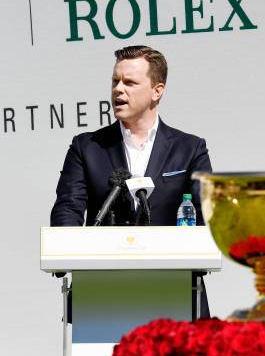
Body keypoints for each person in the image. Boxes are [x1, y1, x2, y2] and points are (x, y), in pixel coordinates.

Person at [50, 45, 212, 317]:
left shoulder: (190, 149)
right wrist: (66, 248)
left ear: (157, 91)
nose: (118, 90)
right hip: (102, 297)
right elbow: (68, 207)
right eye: (115, 81)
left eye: (130, 82)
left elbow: (208, 214)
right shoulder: (87, 147)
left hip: (177, 295)